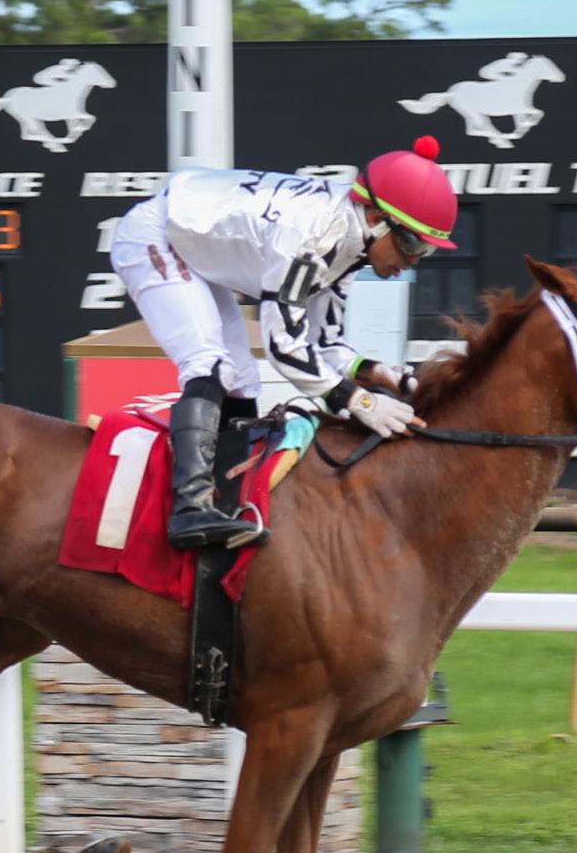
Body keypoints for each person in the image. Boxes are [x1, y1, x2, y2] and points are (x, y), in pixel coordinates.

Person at [109, 135, 459, 549]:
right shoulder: (314, 237)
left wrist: (385, 376)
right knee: (209, 365)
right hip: (157, 237)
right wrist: (361, 402)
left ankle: (226, 505)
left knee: (242, 383)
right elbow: (284, 346)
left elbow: (325, 345)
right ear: (375, 218)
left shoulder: (351, 248)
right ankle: (190, 508)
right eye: (412, 243)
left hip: (194, 243)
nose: (414, 260)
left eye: (427, 250)